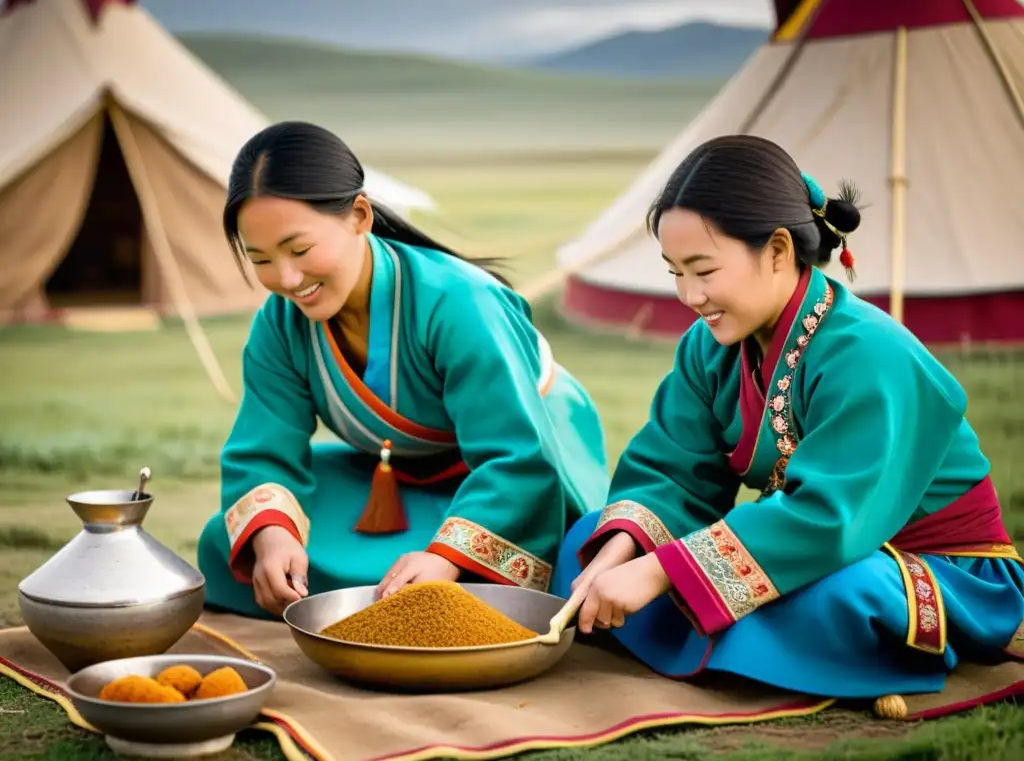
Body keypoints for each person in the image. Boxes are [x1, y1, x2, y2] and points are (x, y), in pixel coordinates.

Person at [552, 134, 1024, 702]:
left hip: (928, 569)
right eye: (674, 272)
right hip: (806, 548)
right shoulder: (707, 347)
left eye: (703, 270)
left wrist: (661, 573)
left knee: (841, 595)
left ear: (777, 250)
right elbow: (674, 472)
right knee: (587, 538)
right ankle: (730, 635)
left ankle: (701, 625)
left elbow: (829, 517)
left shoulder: (873, 354)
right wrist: (623, 551)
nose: (689, 295)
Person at [196, 120, 610, 619]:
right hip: (396, 477)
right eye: (260, 259)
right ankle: (404, 581)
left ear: (359, 217)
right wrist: (272, 534)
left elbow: (516, 457)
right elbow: (264, 448)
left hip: (524, 472)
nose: (286, 278)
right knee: (234, 538)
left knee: (536, 568)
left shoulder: (461, 303)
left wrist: (445, 557)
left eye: (300, 250)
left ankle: (440, 574)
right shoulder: (280, 324)